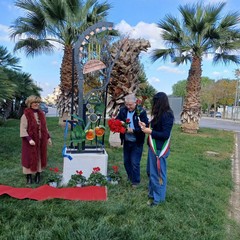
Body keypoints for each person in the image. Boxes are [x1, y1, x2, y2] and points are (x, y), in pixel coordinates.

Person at [139, 92, 174, 206]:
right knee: (151, 172)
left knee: (157, 174)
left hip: (159, 149)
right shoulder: (159, 114)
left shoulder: (167, 115)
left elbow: (165, 135)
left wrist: (151, 132)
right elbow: (153, 125)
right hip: (153, 147)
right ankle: (152, 193)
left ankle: (158, 199)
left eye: (155, 102)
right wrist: (144, 125)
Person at [116, 94, 148, 187]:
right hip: (127, 140)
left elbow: (145, 127)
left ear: (136, 102)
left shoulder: (141, 112)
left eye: (130, 105)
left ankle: (136, 181)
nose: (128, 107)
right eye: (127, 104)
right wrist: (120, 122)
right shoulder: (123, 110)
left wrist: (132, 130)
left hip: (137, 141)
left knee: (135, 162)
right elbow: (117, 120)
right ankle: (130, 177)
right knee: (126, 161)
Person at [20, 95, 52, 184]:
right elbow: (23, 129)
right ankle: (29, 176)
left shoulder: (41, 114)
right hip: (29, 142)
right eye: (34, 102)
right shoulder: (25, 115)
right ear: (30, 103)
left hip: (40, 141)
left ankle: (38, 174)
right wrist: (29, 139)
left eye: (38, 102)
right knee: (28, 158)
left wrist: (48, 137)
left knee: (39, 156)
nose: (36, 104)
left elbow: (45, 127)